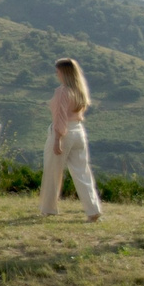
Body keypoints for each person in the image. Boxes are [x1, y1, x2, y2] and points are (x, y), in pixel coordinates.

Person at [43, 57, 103, 220]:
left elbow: (60, 116)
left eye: (58, 71)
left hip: (64, 132)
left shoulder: (62, 91)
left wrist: (57, 139)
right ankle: (93, 209)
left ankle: (48, 208)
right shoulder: (79, 90)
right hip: (79, 131)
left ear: (63, 72)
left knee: (52, 171)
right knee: (82, 172)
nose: (57, 74)